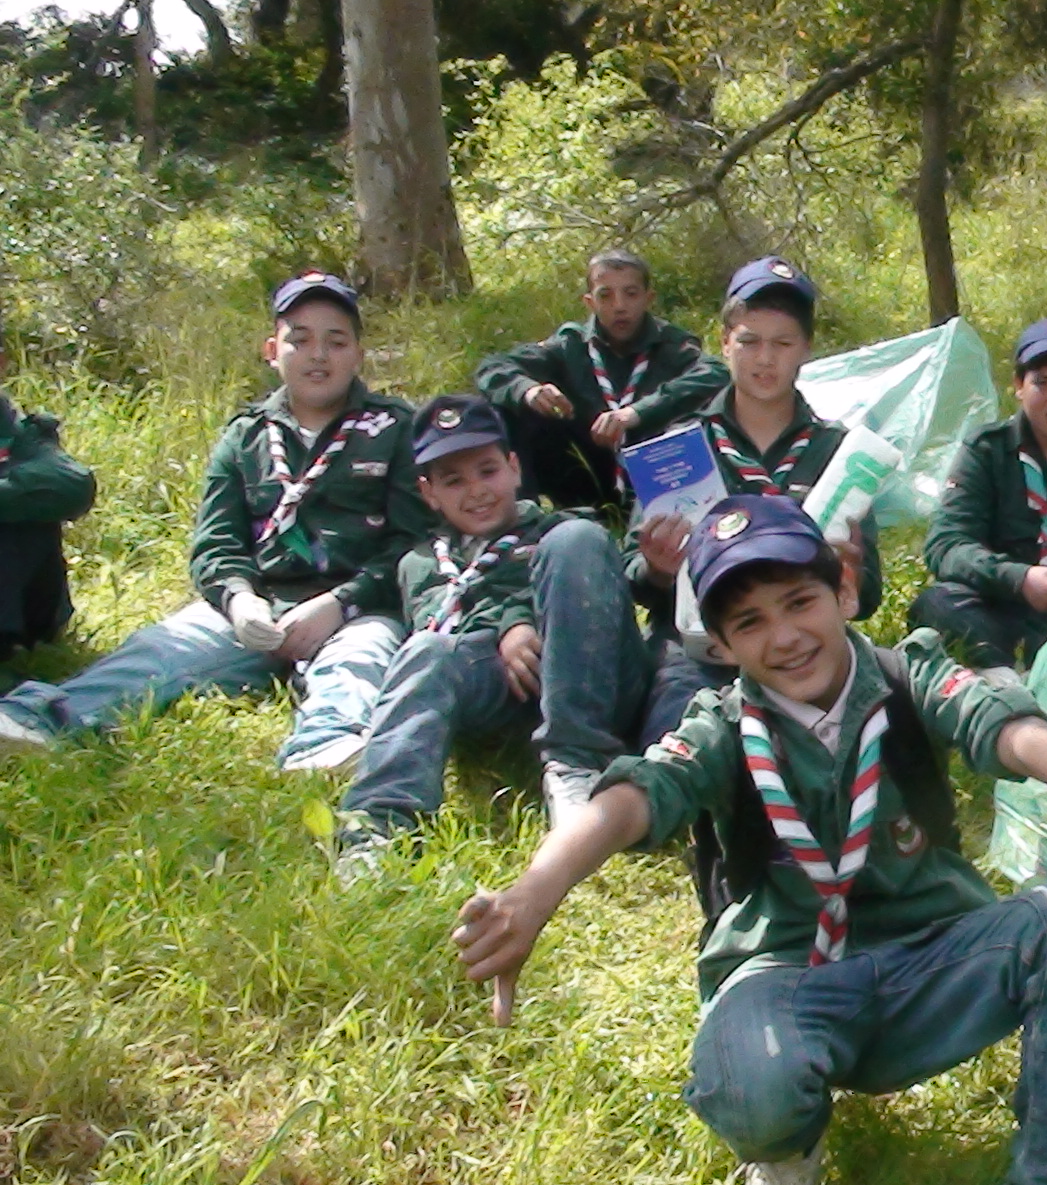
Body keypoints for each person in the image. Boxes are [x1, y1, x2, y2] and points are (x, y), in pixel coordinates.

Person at [450, 492, 1047, 1185]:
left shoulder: (908, 675)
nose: (787, 636)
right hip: (788, 975)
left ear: (841, 591)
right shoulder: (721, 723)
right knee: (749, 1086)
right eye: (751, 621)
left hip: (929, 963)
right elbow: (635, 796)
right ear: (722, 644)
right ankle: (789, 1141)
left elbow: (1007, 728)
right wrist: (535, 891)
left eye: (800, 601)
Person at [0, 272, 419, 768]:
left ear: (357, 355)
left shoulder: (396, 428)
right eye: (299, 340)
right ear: (272, 350)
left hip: (355, 606)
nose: (318, 355)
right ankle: (38, 718)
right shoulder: (245, 435)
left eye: (336, 342)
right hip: (259, 601)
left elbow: (416, 542)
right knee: (156, 652)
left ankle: (325, 747)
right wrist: (237, 599)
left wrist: (342, 603)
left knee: (360, 661)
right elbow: (215, 541)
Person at [335, 397, 649, 865]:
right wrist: (507, 626)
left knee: (576, 543)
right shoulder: (421, 563)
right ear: (428, 493)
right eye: (453, 480)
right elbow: (439, 622)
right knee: (424, 648)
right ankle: (380, 826)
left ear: (515, 468)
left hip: (591, 678)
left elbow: (603, 593)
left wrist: (519, 619)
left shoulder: (560, 527)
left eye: (487, 471)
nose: (476, 490)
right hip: (500, 693)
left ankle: (576, 766)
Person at [629, 255, 885, 746]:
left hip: (805, 646)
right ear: (725, 343)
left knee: (864, 734)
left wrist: (851, 573)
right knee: (678, 735)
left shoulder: (842, 454)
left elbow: (868, 591)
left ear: (806, 350)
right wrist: (657, 568)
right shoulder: (679, 449)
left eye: (783, 343)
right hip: (701, 649)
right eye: (749, 341)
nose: (765, 359)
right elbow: (634, 576)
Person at [912, 316, 1047, 668]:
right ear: (1018, 385)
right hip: (1000, 604)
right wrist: (1019, 579)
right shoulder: (986, 450)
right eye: (1042, 382)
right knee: (939, 604)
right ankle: (1004, 687)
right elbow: (946, 545)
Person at [474, 249, 728, 509]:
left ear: (648, 298)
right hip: (584, 473)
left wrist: (637, 412)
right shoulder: (569, 345)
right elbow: (492, 368)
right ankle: (522, 520)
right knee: (507, 406)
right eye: (605, 295)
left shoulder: (671, 344)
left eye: (631, 294)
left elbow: (715, 373)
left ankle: (685, 510)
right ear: (589, 302)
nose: (619, 306)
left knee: (701, 416)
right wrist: (528, 390)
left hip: (654, 471)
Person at [0, 384, 97, 657]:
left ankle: (12, 643)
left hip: (30, 613)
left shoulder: (14, 428)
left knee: (28, 507)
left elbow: (72, 484)